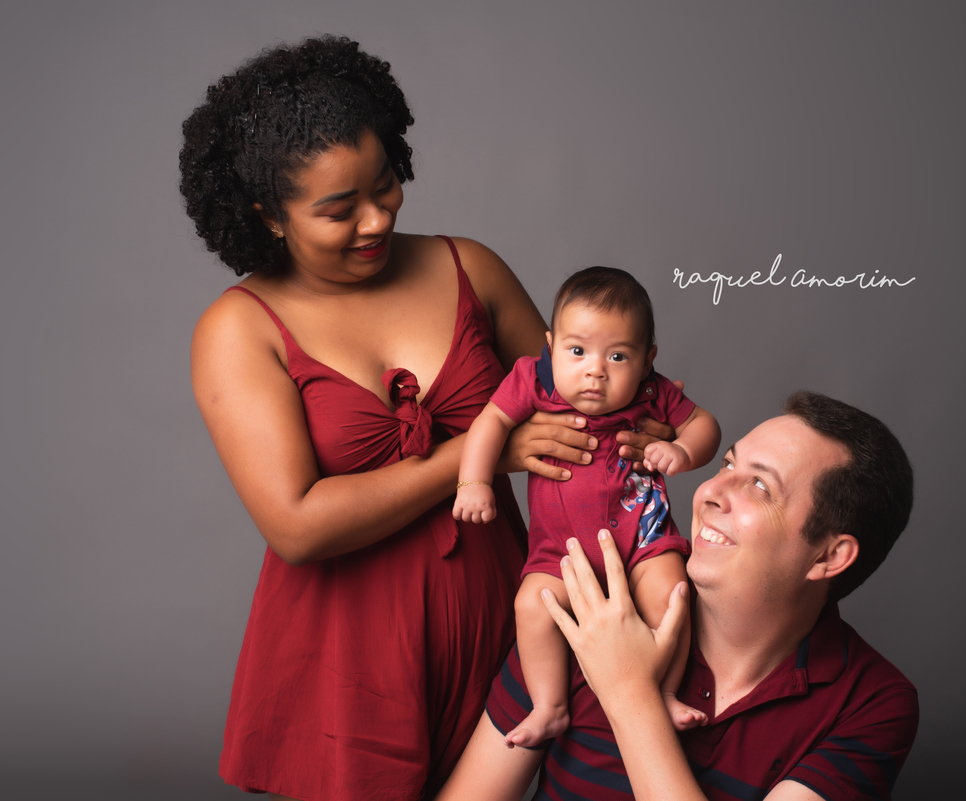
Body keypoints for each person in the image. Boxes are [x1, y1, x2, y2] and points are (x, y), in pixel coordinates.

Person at [181, 36, 675, 801]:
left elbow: (587, 405)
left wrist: (654, 429)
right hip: (345, 655)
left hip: (504, 618)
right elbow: (297, 524)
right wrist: (480, 454)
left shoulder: (469, 268)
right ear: (267, 215)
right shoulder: (239, 329)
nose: (376, 218)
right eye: (339, 210)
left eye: (385, 184)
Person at [438, 391, 919, 801]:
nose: (708, 491)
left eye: (759, 485)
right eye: (727, 463)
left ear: (829, 556)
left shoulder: (873, 705)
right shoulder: (593, 603)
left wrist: (629, 691)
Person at [453, 267, 721, 746]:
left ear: (647, 360)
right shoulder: (534, 381)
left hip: (643, 539)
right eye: (577, 351)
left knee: (672, 594)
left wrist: (683, 450)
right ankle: (549, 707)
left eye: (618, 356)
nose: (595, 370)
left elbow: (704, 424)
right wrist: (474, 481)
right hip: (561, 551)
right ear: (551, 346)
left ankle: (665, 693)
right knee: (532, 606)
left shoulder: (652, 392)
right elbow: (490, 422)